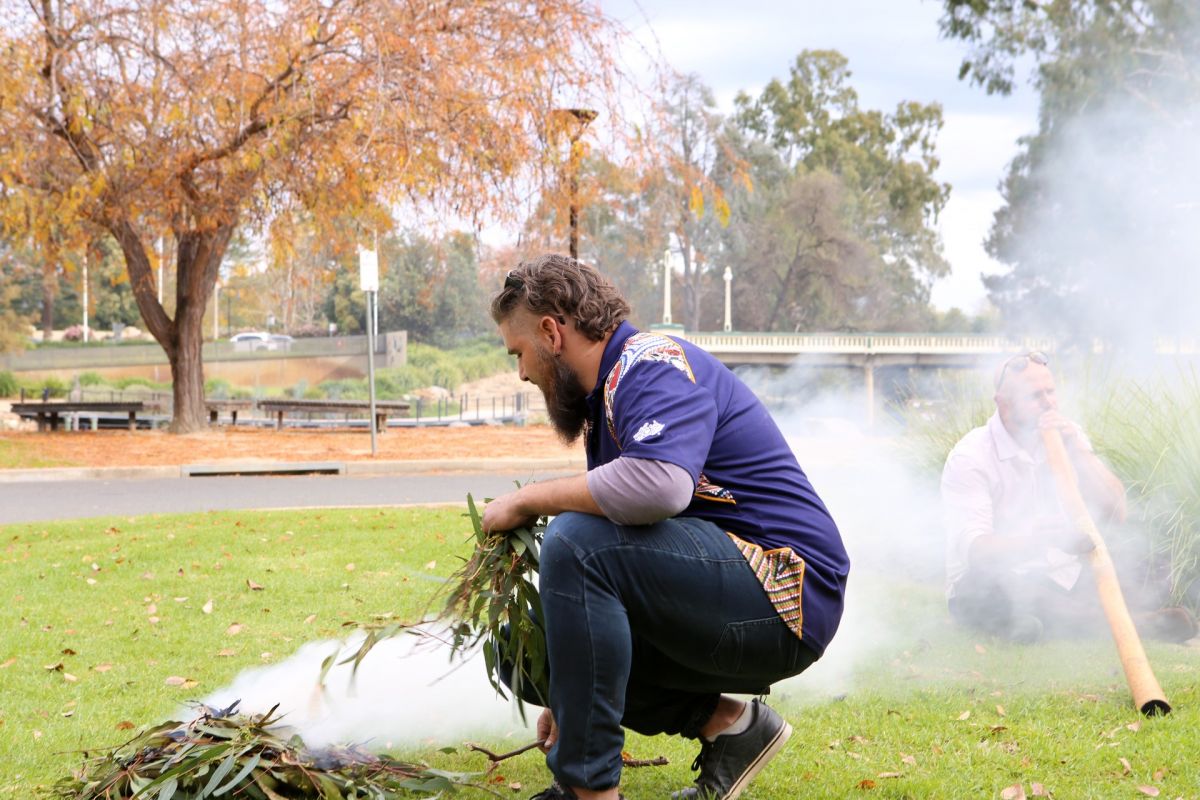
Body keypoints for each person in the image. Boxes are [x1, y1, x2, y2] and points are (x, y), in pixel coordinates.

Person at [481, 254, 850, 800]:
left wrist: (530, 500)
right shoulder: (607, 397)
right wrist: (570, 703)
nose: (521, 372)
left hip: (786, 591)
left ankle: (590, 792)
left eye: (519, 353)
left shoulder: (650, 364)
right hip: (720, 588)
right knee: (529, 651)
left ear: (551, 332)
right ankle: (733, 728)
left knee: (577, 544)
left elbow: (659, 486)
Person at [941, 351, 1196, 644]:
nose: (1049, 402)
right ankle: (1134, 626)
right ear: (1004, 404)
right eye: (1035, 396)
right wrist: (1036, 542)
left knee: (1154, 567)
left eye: (1051, 391)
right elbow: (976, 550)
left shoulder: (1068, 435)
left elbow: (1116, 512)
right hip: (993, 581)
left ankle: (1050, 622)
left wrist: (1078, 451)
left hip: (1061, 577)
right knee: (1005, 593)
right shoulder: (970, 456)